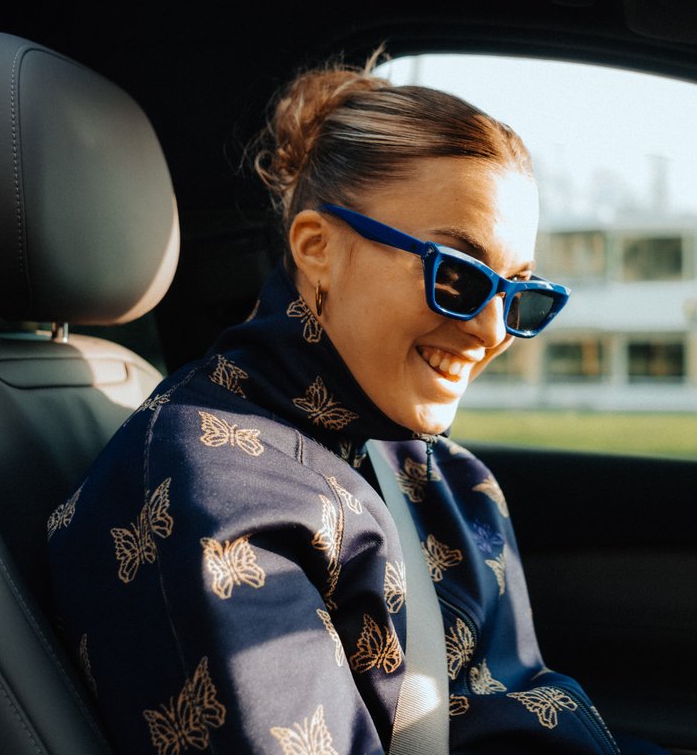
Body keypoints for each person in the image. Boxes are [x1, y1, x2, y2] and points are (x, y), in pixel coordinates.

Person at [47, 55, 641, 754]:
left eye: (521, 296)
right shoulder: (218, 494)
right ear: (317, 248)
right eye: (455, 276)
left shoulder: (450, 477)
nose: (491, 331)